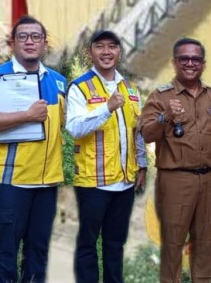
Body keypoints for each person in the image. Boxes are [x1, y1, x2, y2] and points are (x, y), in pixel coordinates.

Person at [0, 15, 67, 283]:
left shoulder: (58, 81)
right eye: (22, 36)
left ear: (45, 43)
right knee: (6, 251)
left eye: (36, 36)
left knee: (38, 253)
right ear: (11, 43)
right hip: (10, 181)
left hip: (47, 182)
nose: (29, 41)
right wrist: (26, 116)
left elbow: (68, 125)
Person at [139, 38, 211, 283]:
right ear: (174, 62)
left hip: (209, 178)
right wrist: (165, 117)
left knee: (205, 241)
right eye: (184, 58)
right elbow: (147, 134)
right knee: (173, 243)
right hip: (175, 179)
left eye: (196, 59)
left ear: (203, 63)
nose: (190, 63)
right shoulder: (161, 96)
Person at [66, 29, 147, 283]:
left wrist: (142, 165)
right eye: (100, 46)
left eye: (112, 46)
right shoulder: (80, 88)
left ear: (119, 52)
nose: (106, 52)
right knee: (88, 243)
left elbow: (137, 131)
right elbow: (74, 128)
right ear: (90, 52)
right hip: (93, 182)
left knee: (115, 244)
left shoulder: (131, 89)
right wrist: (107, 108)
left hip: (124, 182)